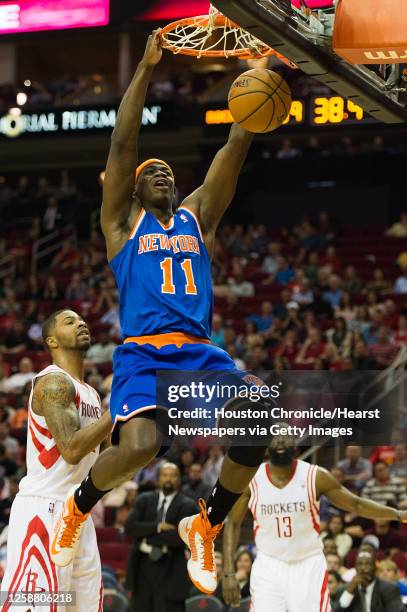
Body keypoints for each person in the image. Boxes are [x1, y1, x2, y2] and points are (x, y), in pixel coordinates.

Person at [51, 32, 269, 596]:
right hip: (144, 353)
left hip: (198, 352)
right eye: (152, 173)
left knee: (260, 414)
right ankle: (78, 507)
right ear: (134, 190)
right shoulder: (122, 229)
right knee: (142, 446)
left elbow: (236, 146)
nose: (161, 172)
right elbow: (122, 148)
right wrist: (145, 70)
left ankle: (208, 519)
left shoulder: (200, 219)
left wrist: (264, 73)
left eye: (168, 170)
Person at [1, 309, 113, 611]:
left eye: (81, 320)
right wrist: (116, 411)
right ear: (51, 340)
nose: (81, 323)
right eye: (69, 321)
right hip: (44, 510)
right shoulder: (54, 383)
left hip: (78, 513)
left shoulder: (90, 392)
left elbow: (104, 458)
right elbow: (72, 449)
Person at [222, 432, 407, 612]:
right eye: (274, 436)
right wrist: (229, 572)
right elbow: (233, 523)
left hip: (307, 564)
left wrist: (397, 514)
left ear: (295, 444)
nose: (280, 441)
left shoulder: (315, 476)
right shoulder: (251, 479)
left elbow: (356, 504)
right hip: (268, 564)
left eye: (285, 436)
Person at [124, 463, 197, 612]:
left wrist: (146, 534)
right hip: (142, 566)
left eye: (173, 475)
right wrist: (158, 527)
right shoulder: (144, 499)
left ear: (179, 480)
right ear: (158, 479)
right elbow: (130, 527)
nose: (168, 478)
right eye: (165, 475)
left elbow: (180, 537)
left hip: (171, 568)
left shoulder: (188, 505)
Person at [333, 550, 404, 611]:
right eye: (359, 564)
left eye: (368, 564)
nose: (363, 568)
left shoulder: (388, 589)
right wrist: (349, 592)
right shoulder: (344, 590)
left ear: (375, 569)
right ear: (355, 568)